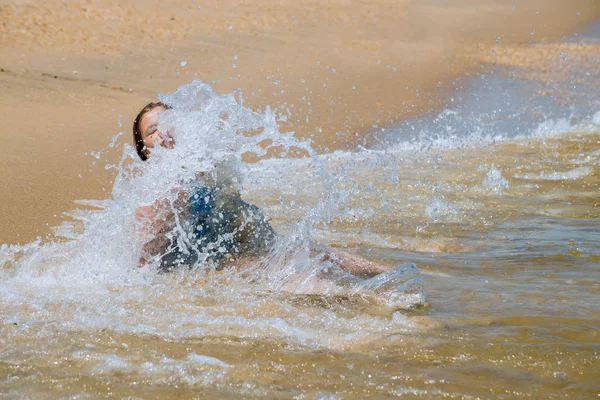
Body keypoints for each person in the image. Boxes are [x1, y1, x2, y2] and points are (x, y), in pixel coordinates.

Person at [132, 101, 391, 278]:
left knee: (314, 252)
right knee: (286, 274)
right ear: (144, 149)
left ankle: (391, 273)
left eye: (168, 123)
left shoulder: (202, 163)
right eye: (152, 131)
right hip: (202, 267)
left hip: (239, 243)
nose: (163, 133)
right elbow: (144, 255)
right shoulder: (153, 191)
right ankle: (373, 302)